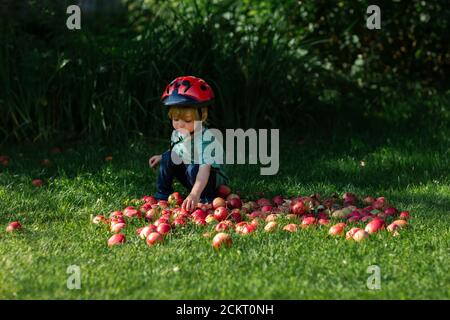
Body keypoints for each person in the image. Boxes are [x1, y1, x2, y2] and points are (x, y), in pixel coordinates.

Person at [149, 76, 229, 211]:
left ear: (201, 117)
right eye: (175, 119)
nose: (180, 124)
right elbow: (178, 152)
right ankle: (162, 196)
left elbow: (204, 170)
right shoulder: (179, 133)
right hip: (192, 173)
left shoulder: (206, 138)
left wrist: (194, 193)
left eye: (187, 120)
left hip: (210, 179)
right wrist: (162, 157)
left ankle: (206, 199)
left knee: (195, 167)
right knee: (170, 157)